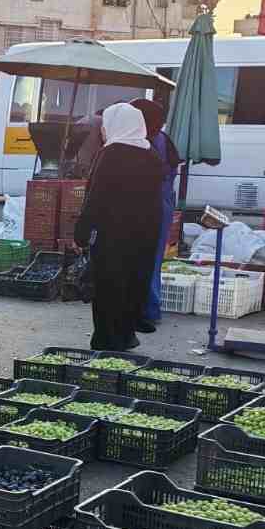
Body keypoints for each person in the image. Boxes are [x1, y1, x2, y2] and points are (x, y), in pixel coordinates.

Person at [73, 103, 167, 352]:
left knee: (108, 287)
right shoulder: (152, 156)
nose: (103, 130)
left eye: (105, 125)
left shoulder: (111, 154)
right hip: (145, 235)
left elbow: (95, 197)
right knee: (133, 284)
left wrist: (81, 231)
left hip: (112, 235)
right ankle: (126, 336)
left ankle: (107, 339)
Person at [131, 97, 181, 332]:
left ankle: (146, 310)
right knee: (154, 259)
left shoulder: (145, 142)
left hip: (150, 204)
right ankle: (151, 308)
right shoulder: (163, 139)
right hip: (164, 202)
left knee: (144, 258)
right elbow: (173, 169)